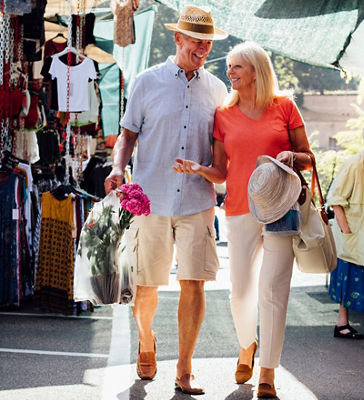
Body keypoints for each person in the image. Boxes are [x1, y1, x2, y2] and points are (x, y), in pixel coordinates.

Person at [173, 41, 314, 398]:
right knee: (240, 292)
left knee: (273, 290)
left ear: (256, 71)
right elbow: (221, 172)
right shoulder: (224, 114)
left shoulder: (285, 107)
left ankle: (267, 370)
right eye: (230, 66)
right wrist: (198, 168)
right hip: (238, 209)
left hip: (280, 208)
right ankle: (247, 345)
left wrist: (292, 157)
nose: (229, 71)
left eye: (237, 66)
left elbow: (309, 157)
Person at [104, 5, 228, 395]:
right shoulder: (146, 81)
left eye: (208, 42)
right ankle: (145, 341)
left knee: (195, 284)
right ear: (178, 39)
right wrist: (116, 170)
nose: (204, 47)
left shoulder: (218, 90)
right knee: (146, 286)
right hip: (151, 199)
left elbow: (220, 150)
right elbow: (127, 136)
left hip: (196, 201)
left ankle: (185, 369)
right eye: (197, 40)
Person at [327, 150, 364, 340]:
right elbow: (336, 201)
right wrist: (346, 231)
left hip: (358, 234)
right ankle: (342, 324)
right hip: (353, 234)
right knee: (349, 277)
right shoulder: (354, 163)